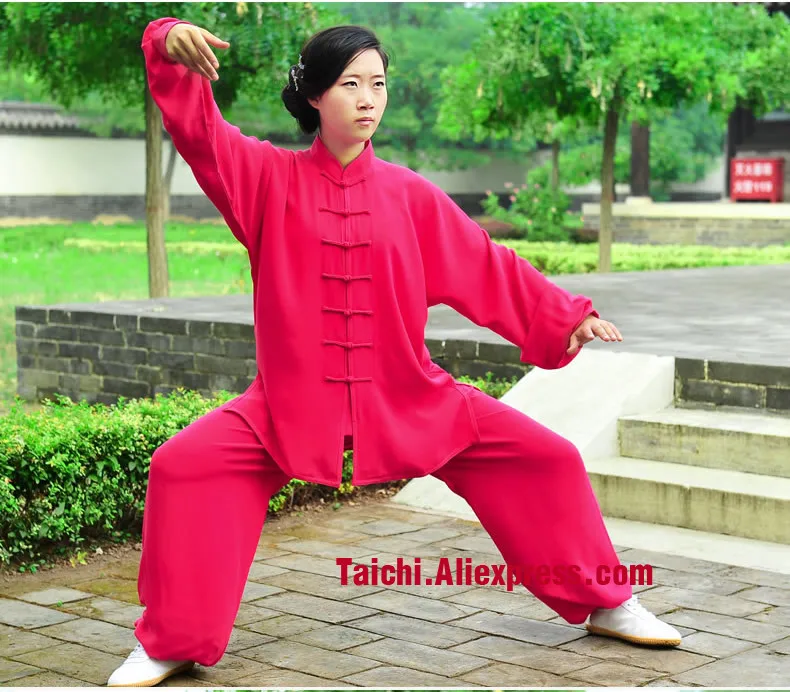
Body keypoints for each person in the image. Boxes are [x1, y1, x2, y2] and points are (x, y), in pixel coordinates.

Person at [108, 16, 682, 688]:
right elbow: (200, 134)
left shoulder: (410, 195)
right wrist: (167, 40)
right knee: (184, 467)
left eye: (378, 84)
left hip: (411, 397)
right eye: (350, 84)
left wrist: (565, 317)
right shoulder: (265, 178)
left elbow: (484, 265)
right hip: (288, 405)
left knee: (546, 458)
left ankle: (607, 601)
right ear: (315, 95)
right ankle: (172, 640)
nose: (368, 99)